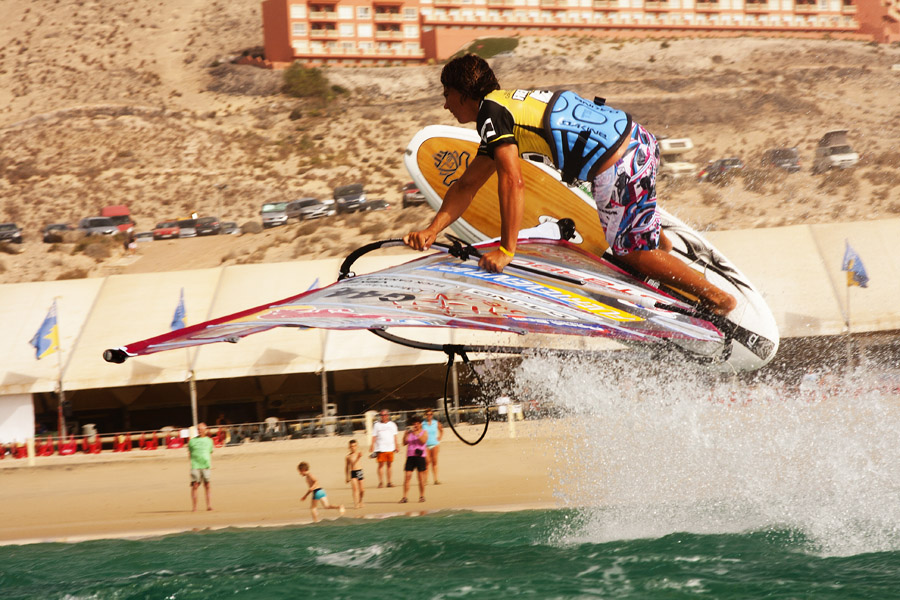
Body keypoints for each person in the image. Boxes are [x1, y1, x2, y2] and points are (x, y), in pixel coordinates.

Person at [403, 54, 736, 316]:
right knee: (634, 241)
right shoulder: (505, 105)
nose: (445, 104)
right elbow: (467, 186)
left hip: (617, 164)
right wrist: (432, 230)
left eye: (447, 95)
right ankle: (661, 251)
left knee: (630, 253)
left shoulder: (490, 114)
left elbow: (512, 181)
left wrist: (506, 251)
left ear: (464, 94)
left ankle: (716, 297)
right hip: (638, 142)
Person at [400, 415, 429, 504]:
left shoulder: (424, 432)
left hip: (420, 457)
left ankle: (422, 496)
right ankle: (405, 497)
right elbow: (404, 443)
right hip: (410, 456)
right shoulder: (410, 433)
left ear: (420, 424)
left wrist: (417, 434)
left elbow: (423, 441)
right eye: (414, 424)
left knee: (420, 477)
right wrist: (406, 434)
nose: (415, 425)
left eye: (417, 424)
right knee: (407, 477)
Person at [187, 422, 214, 511]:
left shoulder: (209, 441)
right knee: (195, 485)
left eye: (201, 429)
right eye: (198, 429)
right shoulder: (192, 441)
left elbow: (210, 452)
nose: (199, 431)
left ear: (205, 430)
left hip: (206, 465)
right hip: (195, 466)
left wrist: (209, 464)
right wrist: (192, 464)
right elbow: (189, 453)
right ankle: (194, 507)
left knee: (207, 485)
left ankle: (209, 505)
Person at [369, 409, 399, 488]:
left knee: (389, 465)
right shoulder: (377, 425)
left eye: (385, 415)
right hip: (380, 448)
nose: (383, 417)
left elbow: (395, 436)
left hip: (390, 448)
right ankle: (381, 482)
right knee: (381, 465)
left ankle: (389, 482)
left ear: (388, 415)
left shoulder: (392, 424)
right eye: (381, 415)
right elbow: (374, 436)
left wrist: (396, 446)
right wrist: (372, 445)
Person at [421, 409, 443, 485]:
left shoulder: (436, 423)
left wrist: (440, 437)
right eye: (427, 414)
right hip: (426, 445)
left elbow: (441, 430)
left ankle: (436, 479)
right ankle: (425, 480)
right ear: (425, 415)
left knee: (434, 462)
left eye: (430, 414)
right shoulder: (423, 424)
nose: (429, 416)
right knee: (427, 462)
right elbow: (419, 432)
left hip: (434, 444)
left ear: (432, 415)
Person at [345, 439, 365, 508]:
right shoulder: (348, 456)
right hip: (353, 472)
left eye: (354, 446)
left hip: (359, 471)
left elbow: (356, 462)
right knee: (355, 489)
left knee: (362, 490)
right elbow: (347, 467)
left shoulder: (358, 454)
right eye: (351, 446)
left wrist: (358, 457)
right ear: (349, 447)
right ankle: (356, 503)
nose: (353, 448)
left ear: (357, 446)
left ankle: (360, 501)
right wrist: (347, 477)